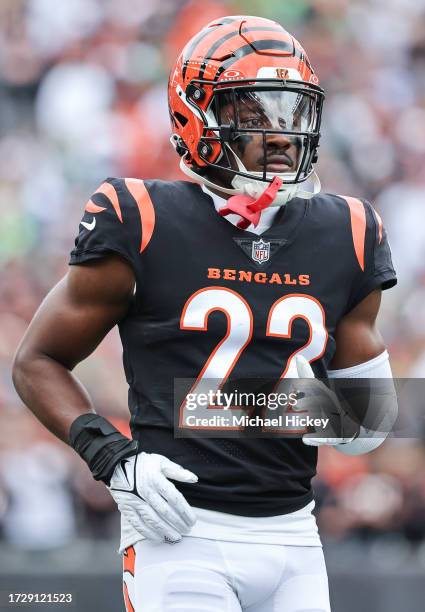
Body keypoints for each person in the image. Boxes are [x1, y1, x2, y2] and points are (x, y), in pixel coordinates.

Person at [12, 15, 398, 612]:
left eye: (292, 111)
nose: (280, 133)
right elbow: (37, 361)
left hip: (296, 534)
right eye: (256, 112)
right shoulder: (139, 216)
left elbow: (366, 429)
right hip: (179, 531)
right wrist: (111, 457)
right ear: (197, 116)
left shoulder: (347, 229)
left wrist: (268, 404)